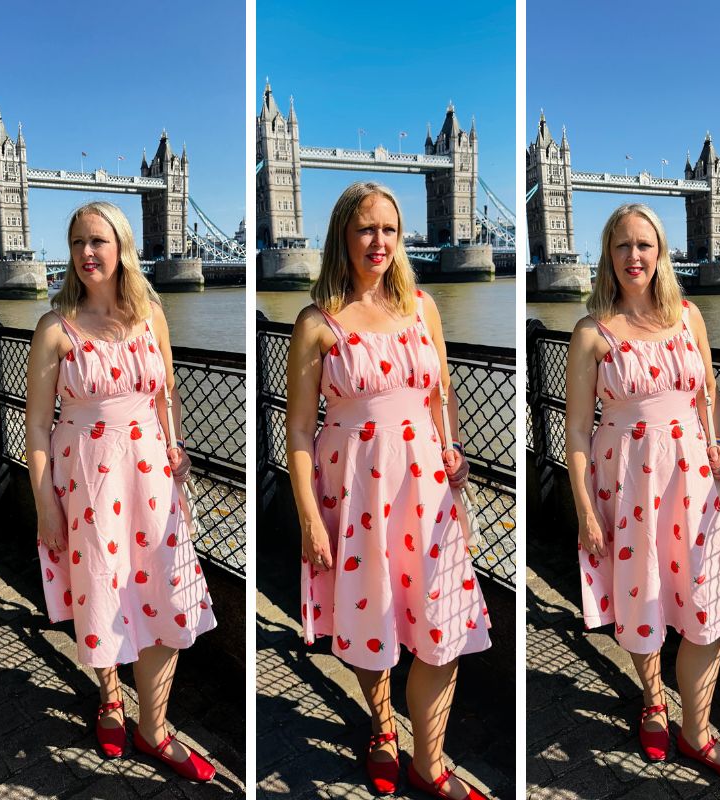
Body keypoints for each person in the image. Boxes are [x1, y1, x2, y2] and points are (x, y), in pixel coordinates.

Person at [286, 181, 492, 799]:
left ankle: (430, 762)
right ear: (342, 237)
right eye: (366, 229)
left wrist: (453, 452)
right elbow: (298, 432)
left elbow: (440, 396)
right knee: (371, 618)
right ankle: (381, 727)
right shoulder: (316, 323)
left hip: (426, 489)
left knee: (442, 625)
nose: (380, 242)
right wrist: (309, 520)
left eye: (390, 230)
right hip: (354, 493)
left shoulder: (423, 307)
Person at [565, 203, 720, 786]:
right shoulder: (591, 332)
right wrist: (585, 511)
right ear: (608, 254)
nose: (634, 256)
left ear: (661, 253)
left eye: (644, 244)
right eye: (622, 245)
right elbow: (577, 433)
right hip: (627, 486)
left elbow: (708, 391)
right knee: (643, 598)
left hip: (694, 483)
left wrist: (716, 446)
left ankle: (697, 733)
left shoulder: (690, 317)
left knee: (710, 608)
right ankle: (653, 700)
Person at [26, 201, 217, 781]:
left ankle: (154, 728)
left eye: (99, 241)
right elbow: (37, 427)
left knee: (165, 592)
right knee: (100, 590)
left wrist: (177, 446)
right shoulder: (55, 328)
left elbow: (167, 393)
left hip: (152, 476)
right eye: (77, 242)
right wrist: (45, 505)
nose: (87, 253)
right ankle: (110, 695)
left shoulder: (151, 316)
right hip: (86, 480)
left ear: (122, 247)